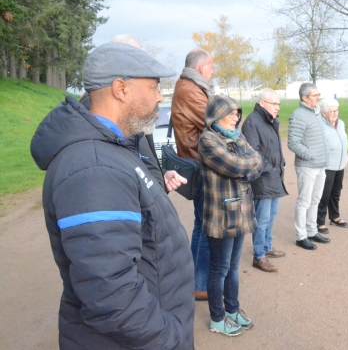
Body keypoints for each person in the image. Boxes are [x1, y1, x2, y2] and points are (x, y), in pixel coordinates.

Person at [30, 42, 195, 349]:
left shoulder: (114, 150)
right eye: (155, 87)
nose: (160, 97)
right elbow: (111, 295)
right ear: (121, 89)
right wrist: (171, 338)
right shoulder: (94, 168)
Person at [79, 35, 188, 193]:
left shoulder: (127, 115)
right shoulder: (104, 116)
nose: (159, 97)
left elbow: (138, 162)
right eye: (135, 60)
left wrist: (160, 179)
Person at [198, 95, 262, 336]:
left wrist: (243, 169)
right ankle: (217, 318)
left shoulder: (236, 135)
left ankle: (232, 310)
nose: (237, 117)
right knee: (219, 268)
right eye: (232, 113)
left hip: (241, 211)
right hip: (221, 215)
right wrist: (244, 168)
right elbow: (235, 165)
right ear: (217, 114)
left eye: (238, 113)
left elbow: (258, 161)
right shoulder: (208, 139)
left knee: (233, 267)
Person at [171, 48, 215, 301]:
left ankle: (194, 279)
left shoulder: (188, 86)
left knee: (201, 225)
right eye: (211, 67)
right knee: (207, 227)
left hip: (197, 162)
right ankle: (199, 284)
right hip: (201, 164)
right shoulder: (190, 89)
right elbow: (216, 119)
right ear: (201, 69)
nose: (212, 71)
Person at [241, 89, 288, 273]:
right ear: (262, 103)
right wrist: (271, 167)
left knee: (272, 215)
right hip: (263, 179)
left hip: (274, 177)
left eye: (278, 104)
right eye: (274, 104)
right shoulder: (252, 122)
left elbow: (275, 148)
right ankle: (258, 255)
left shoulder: (269, 121)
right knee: (262, 218)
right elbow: (253, 152)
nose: (278, 107)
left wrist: (280, 164)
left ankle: (267, 247)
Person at [288, 82, 330, 250]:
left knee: (315, 200)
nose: (318, 98)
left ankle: (312, 231)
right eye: (315, 95)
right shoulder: (298, 115)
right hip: (307, 166)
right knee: (304, 201)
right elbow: (293, 143)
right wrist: (310, 155)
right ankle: (301, 236)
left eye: (318, 95)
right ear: (305, 98)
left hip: (321, 166)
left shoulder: (316, 113)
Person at [316, 98, 348, 234]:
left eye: (336, 110)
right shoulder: (320, 125)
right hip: (327, 165)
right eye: (332, 111)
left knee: (336, 192)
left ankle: (335, 216)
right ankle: (319, 221)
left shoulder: (340, 123)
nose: (335, 113)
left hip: (340, 163)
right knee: (325, 194)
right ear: (324, 113)